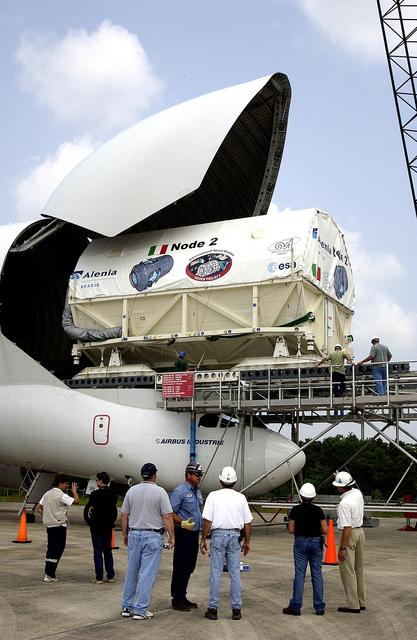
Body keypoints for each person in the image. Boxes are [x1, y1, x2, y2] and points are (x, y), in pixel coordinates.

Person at [120, 463, 175, 620]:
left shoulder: (132, 490)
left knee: (132, 572)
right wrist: (172, 536)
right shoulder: (160, 492)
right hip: (152, 535)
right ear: (154, 475)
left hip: (134, 534)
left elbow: (124, 514)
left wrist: (125, 533)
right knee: (146, 574)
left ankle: (126, 606)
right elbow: (167, 516)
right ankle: (140, 609)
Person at [200, 466, 252, 621]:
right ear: (234, 481)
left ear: (220, 480)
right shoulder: (241, 498)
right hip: (235, 535)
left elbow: (207, 521)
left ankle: (213, 609)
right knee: (235, 573)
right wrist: (247, 541)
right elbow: (247, 523)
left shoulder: (213, 496)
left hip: (218, 536)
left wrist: (203, 538)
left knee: (215, 572)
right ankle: (236, 609)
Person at [282, 482, 327, 616]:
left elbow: (291, 530)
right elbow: (325, 530)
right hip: (316, 542)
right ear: (313, 497)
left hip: (300, 542)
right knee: (317, 575)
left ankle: (295, 606)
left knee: (300, 575)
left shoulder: (295, 510)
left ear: (301, 496)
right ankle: (319, 607)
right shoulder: (318, 510)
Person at [170, 461, 204, 611]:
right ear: (188, 475)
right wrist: (182, 522)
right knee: (180, 566)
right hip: (183, 533)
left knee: (190, 566)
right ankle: (177, 598)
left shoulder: (197, 491)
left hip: (194, 534)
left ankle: (183, 595)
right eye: (196, 474)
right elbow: (170, 512)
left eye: (200, 475)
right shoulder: (180, 491)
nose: (199, 477)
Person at [333, 471, 366, 613]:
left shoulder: (344, 504)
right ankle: (361, 601)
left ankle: (353, 604)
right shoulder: (357, 493)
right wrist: (340, 475)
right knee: (358, 569)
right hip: (360, 532)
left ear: (341, 487)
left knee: (348, 570)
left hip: (349, 534)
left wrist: (342, 548)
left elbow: (347, 527)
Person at [36, 474, 79, 582]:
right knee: (58, 548)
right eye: (66, 484)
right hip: (59, 525)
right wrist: (74, 491)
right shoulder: (61, 495)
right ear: (60, 483)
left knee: (50, 547)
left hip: (49, 525)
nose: (67, 486)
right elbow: (76, 501)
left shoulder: (47, 494)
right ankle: (50, 574)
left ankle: (48, 572)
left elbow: (39, 507)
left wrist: (46, 515)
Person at [83, 471, 118, 584]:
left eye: (97, 480)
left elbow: (88, 509)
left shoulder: (95, 494)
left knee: (97, 551)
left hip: (96, 526)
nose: (96, 482)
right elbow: (114, 511)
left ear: (101, 481)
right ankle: (110, 575)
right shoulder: (113, 494)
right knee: (107, 551)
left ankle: (99, 577)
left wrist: (90, 521)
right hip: (108, 526)